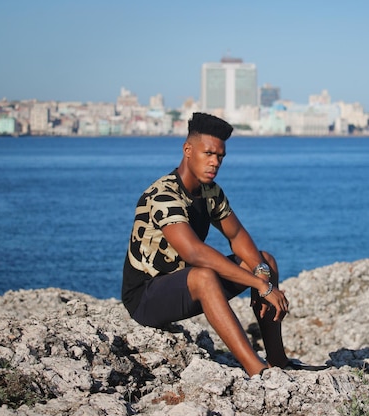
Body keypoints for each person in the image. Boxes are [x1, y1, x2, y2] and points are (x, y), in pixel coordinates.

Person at [121, 112, 323, 377]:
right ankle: (257, 371)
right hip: (146, 298)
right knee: (204, 276)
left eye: (220, 156)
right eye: (208, 154)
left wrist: (261, 272)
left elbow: (237, 235)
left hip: (184, 285)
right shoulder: (163, 194)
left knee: (265, 260)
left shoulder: (210, 191)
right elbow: (193, 251)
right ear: (188, 150)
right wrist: (260, 284)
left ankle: (278, 361)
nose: (215, 162)